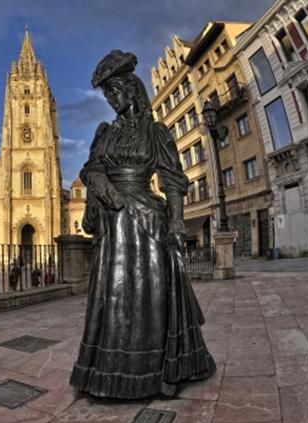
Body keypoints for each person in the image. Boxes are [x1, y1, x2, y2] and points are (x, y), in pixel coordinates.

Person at [69, 50, 216, 400]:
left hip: (147, 219)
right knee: (116, 295)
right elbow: (89, 167)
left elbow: (173, 179)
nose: (111, 100)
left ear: (132, 91)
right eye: (107, 96)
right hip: (112, 220)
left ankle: (155, 369)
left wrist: (178, 220)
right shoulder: (105, 132)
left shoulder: (156, 132)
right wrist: (102, 184)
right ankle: (108, 372)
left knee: (149, 295)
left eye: (115, 93)